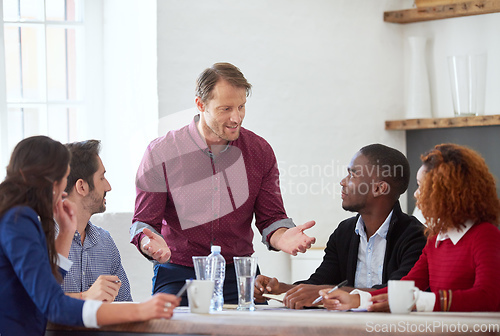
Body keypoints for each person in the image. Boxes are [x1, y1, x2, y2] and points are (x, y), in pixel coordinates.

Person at [130, 62, 316, 305]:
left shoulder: (259, 151)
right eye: (226, 108)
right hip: (179, 272)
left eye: (241, 107)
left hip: (238, 274)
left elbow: (271, 218)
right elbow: (143, 223)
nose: (236, 117)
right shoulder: (161, 152)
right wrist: (148, 242)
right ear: (200, 104)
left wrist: (282, 238)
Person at [0, 136, 179, 336]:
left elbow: (46, 285)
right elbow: (52, 304)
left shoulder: (17, 217)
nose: (63, 190)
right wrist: (139, 310)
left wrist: (66, 233)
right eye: (62, 178)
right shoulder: (18, 221)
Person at [321, 143, 500, 312]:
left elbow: (488, 297)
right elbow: (408, 286)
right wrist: (358, 299)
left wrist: (418, 301)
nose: (416, 194)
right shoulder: (435, 239)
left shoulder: (485, 235)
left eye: (423, 187)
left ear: (448, 193)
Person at [255, 144, 427, 309]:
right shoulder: (344, 232)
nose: (343, 182)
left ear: (379, 188)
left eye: (353, 175)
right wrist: (279, 289)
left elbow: (395, 293)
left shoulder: (416, 236)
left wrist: (329, 292)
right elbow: (319, 283)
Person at [62, 140, 132, 302]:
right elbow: (25, 305)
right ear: (82, 187)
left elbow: (124, 304)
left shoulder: (105, 242)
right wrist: (84, 297)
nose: (108, 187)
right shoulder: (38, 239)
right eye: (102, 178)